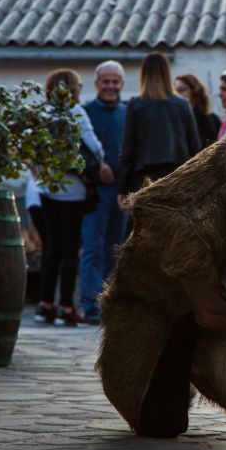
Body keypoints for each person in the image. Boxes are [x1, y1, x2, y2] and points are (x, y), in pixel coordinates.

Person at [37, 69, 105, 326]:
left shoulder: (44, 114)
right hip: (73, 191)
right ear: (73, 89)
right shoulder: (76, 113)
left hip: (47, 188)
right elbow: (94, 147)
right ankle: (67, 306)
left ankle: (45, 304)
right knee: (70, 249)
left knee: (52, 247)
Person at [116, 53, 201, 231]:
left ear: (144, 74)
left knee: (140, 237)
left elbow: (127, 150)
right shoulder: (182, 104)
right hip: (177, 180)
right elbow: (196, 149)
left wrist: (122, 188)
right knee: (175, 235)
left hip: (143, 181)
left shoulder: (136, 105)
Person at [79, 61, 128, 324]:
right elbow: (79, 149)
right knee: (92, 249)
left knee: (115, 249)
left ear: (121, 84)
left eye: (115, 81)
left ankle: (109, 304)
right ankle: (89, 306)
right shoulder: (85, 113)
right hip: (94, 193)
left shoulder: (128, 113)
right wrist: (96, 167)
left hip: (121, 193)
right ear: (97, 84)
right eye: (106, 81)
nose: (111, 86)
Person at [175, 73, 220, 150]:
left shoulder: (210, 119)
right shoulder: (173, 121)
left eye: (182, 90)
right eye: (174, 91)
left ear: (195, 92)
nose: (177, 94)